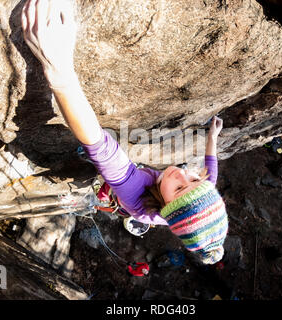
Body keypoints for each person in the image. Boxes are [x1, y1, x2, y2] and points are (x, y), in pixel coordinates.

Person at [22, 0, 228, 264]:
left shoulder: (139, 202)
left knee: (103, 166)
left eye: (178, 188)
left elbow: (103, 150)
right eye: (193, 179)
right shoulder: (201, 192)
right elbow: (211, 171)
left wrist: (59, 71)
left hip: (131, 187)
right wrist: (212, 138)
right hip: (159, 187)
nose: (180, 173)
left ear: (166, 208)